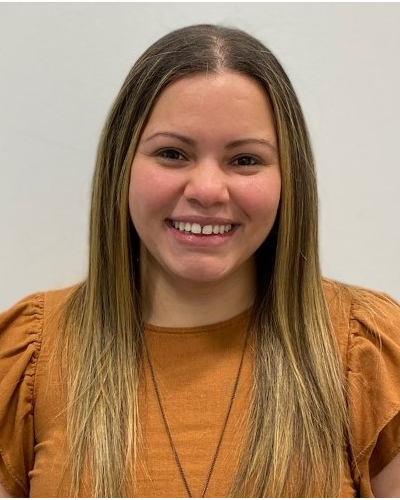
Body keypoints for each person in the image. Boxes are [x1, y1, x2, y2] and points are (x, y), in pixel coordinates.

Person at [0, 24, 399, 499]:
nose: (207, 190)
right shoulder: (26, 358)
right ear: (121, 166)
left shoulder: (369, 351)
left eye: (245, 160)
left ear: (288, 177)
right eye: (172, 153)